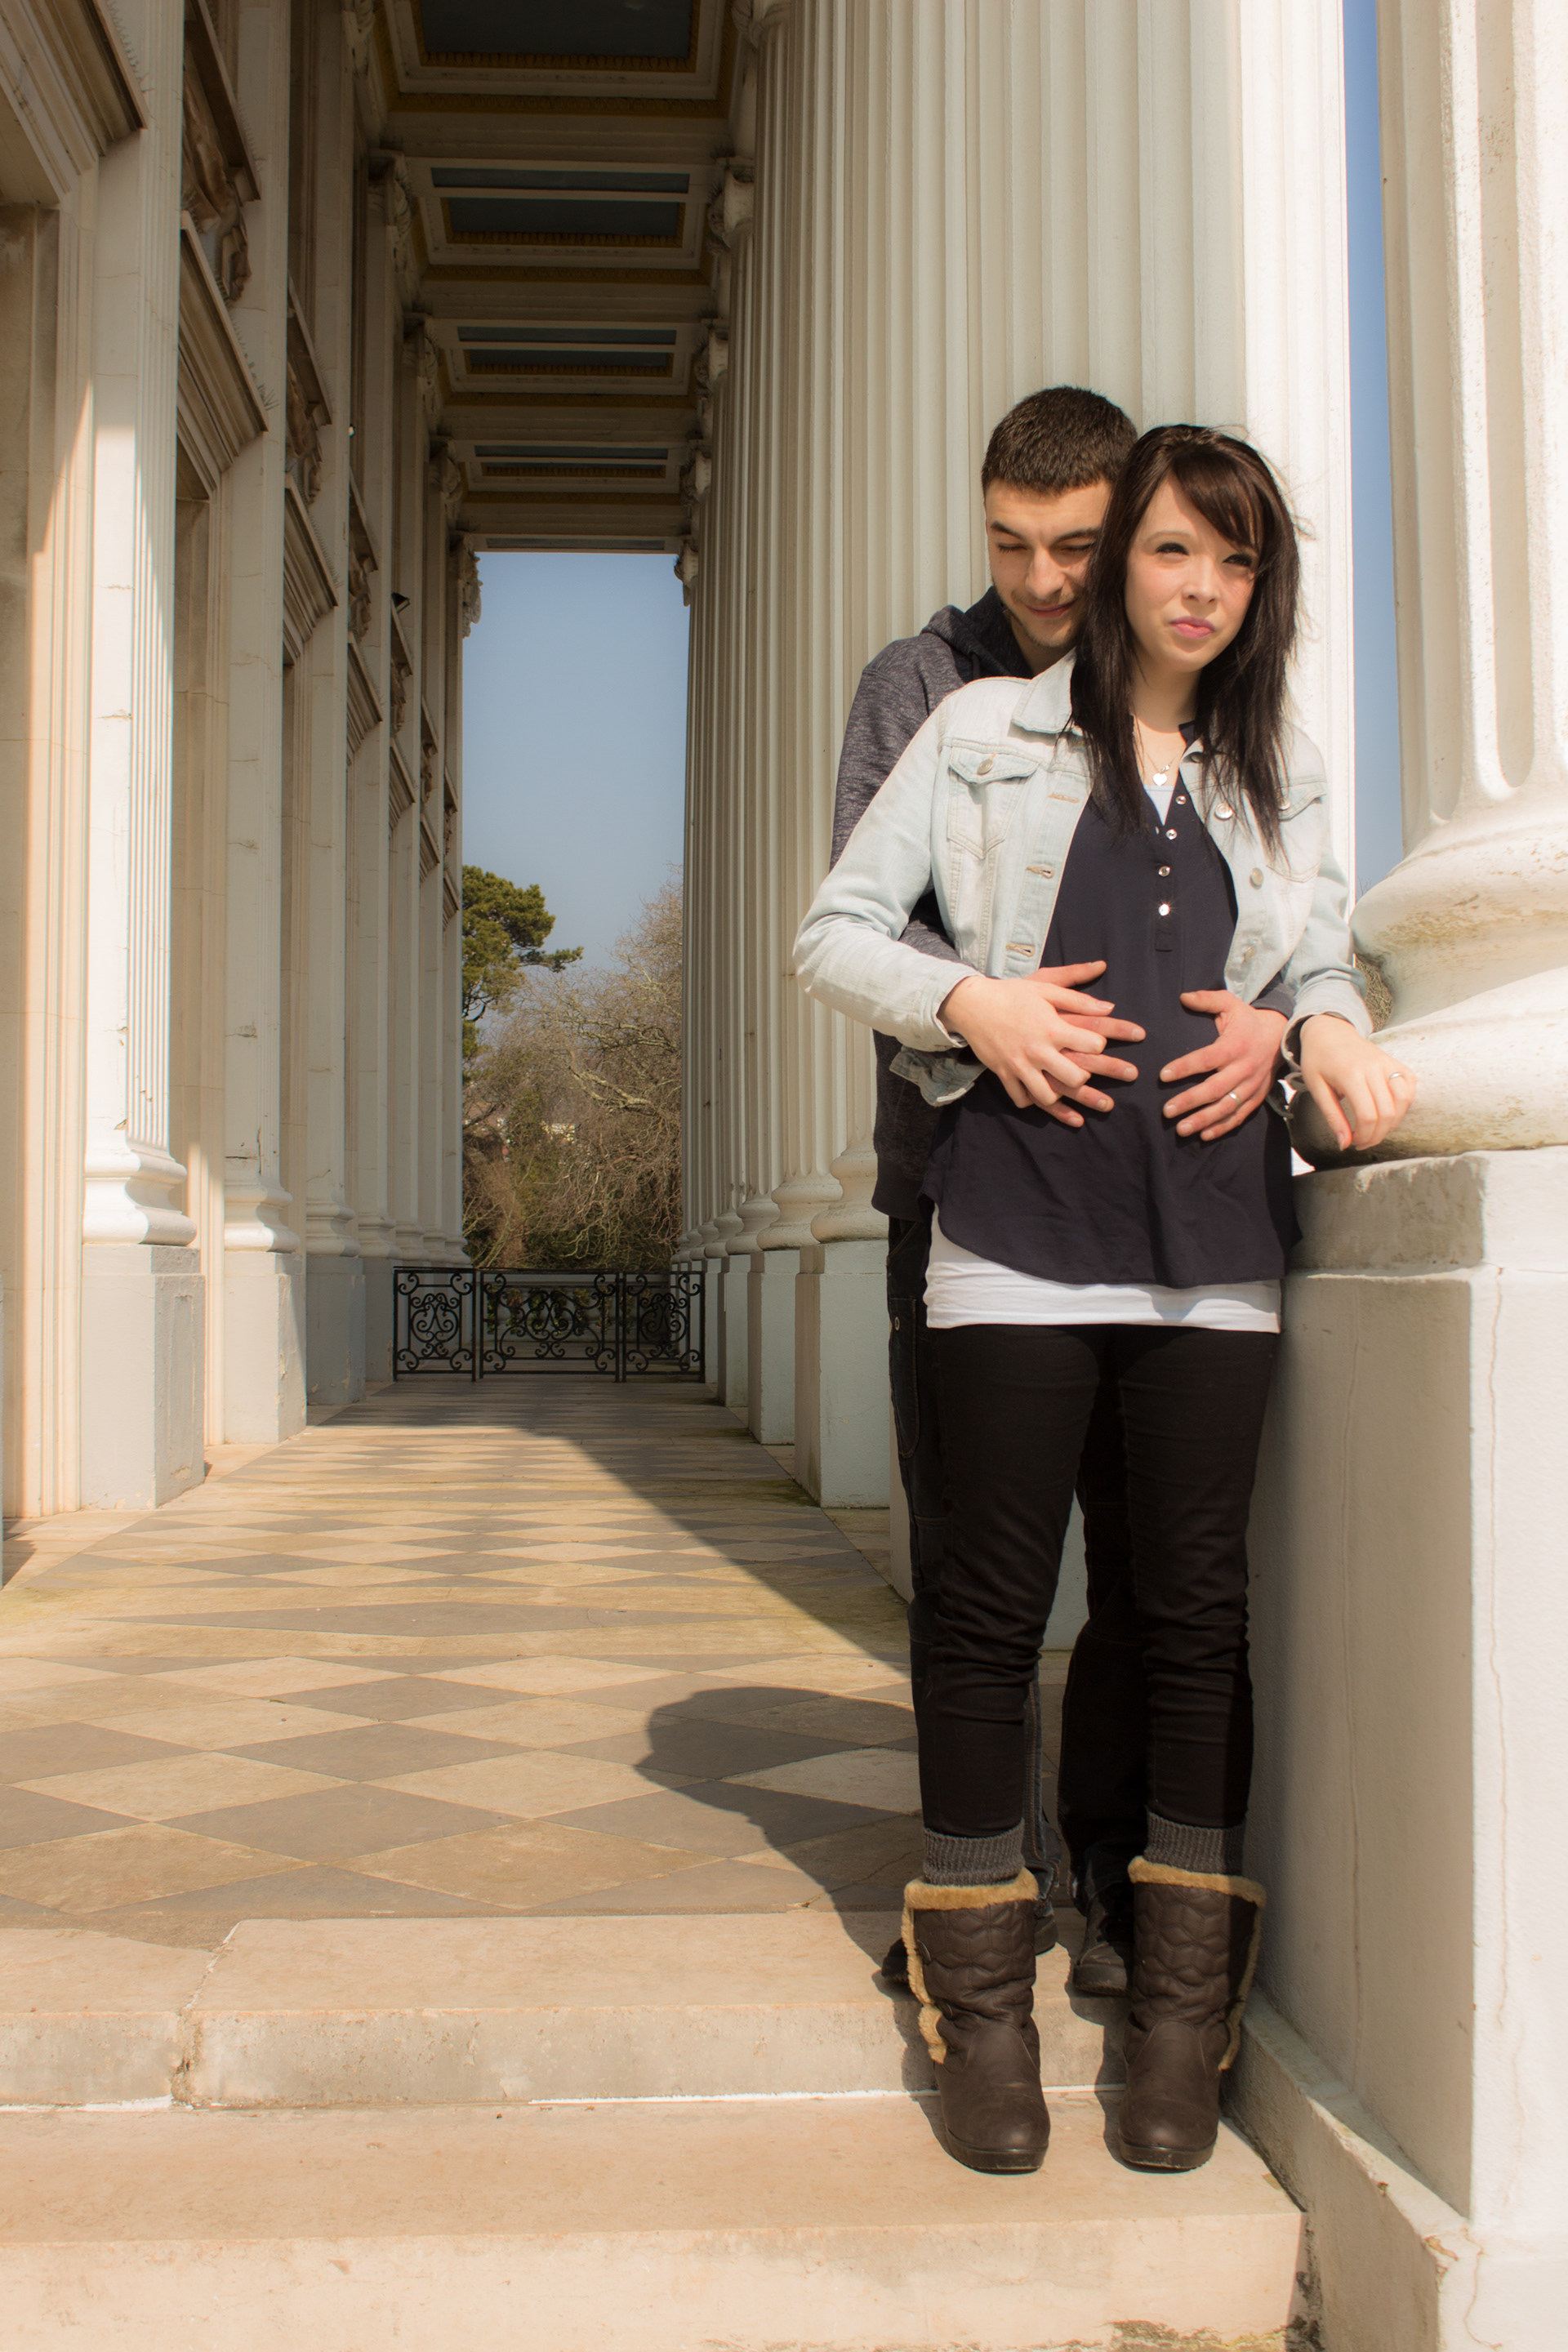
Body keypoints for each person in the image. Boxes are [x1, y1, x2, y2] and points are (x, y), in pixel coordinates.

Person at [795, 425, 1414, 2177]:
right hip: (1009, 1228)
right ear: (1124, 559)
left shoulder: (1279, 768)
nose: (1200, 587)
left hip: (1213, 1242)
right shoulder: (980, 732)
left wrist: (1312, 1024)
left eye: (1236, 558)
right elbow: (836, 929)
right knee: (988, 1618)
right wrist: (971, 1005)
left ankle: (1178, 2006)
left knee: (1193, 1617)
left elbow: (1319, 951)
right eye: (1172, 551)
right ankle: (981, 1999)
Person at [830, 387, 1293, 1993]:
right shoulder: (931, 692)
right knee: (980, 1566)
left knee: (1152, 1566)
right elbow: (876, 920)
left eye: (1078, 548)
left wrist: (1298, 1026)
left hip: (1168, 1214)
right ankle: (990, 1885)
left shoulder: (1220, 726)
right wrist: (992, 1011)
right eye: (1011, 546)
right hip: (962, 1183)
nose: (1041, 581)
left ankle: (1108, 1866)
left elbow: (1288, 931)